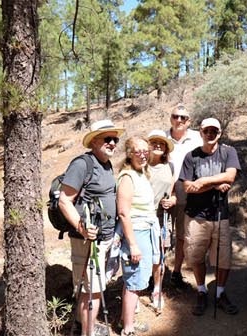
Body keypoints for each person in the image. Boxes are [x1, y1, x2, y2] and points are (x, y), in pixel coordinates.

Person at [57, 120, 123, 336]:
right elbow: (64, 200)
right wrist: (81, 227)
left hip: (103, 239)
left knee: (94, 289)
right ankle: (87, 332)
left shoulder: (106, 164)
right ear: (94, 141)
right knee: (91, 291)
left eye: (115, 139)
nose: (113, 143)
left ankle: (86, 327)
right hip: (86, 241)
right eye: (108, 139)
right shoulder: (82, 164)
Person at [180, 118, 242, 316]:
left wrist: (204, 181)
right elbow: (188, 187)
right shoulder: (192, 157)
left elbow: (230, 176)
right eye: (207, 130)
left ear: (220, 133)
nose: (210, 134)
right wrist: (215, 184)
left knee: (223, 257)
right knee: (196, 256)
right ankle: (201, 290)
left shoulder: (228, 152)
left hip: (220, 215)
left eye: (214, 131)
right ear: (200, 132)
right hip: (196, 216)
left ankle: (220, 293)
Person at [153, 104, 204, 283]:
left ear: (189, 121)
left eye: (183, 117)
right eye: (176, 116)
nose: (179, 120)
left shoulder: (198, 137)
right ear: (171, 118)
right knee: (160, 234)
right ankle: (157, 272)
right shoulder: (161, 138)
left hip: (188, 196)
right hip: (162, 197)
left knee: (182, 235)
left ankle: (176, 272)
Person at [115, 137, 158, 335]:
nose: (142, 154)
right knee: (133, 281)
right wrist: (132, 244)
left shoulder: (141, 173)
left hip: (146, 230)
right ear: (129, 154)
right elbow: (123, 213)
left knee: (138, 279)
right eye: (137, 151)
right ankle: (128, 329)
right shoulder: (127, 177)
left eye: (145, 151)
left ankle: (127, 319)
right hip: (136, 233)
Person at [144, 130, 180, 312]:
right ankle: (139, 286)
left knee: (160, 252)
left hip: (162, 216)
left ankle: (157, 288)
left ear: (166, 148)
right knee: (143, 252)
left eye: (162, 143)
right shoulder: (140, 165)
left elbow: (173, 192)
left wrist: (172, 200)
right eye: (154, 142)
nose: (158, 145)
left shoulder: (170, 166)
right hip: (143, 216)